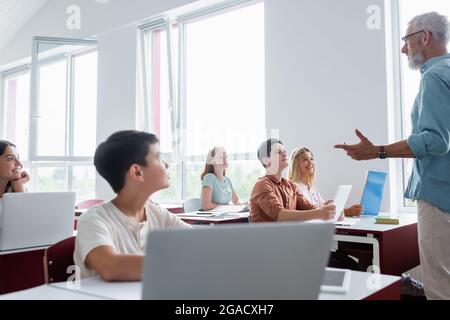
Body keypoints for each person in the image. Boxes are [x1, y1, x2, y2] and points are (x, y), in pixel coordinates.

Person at [335, 12, 450, 299]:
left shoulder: (434, 77)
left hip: (439, 199)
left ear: (424, 37)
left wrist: (378, 151)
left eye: (406, 40)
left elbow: (436, 141)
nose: (403, 49)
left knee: (439, 288)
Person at [74, 131, 192, 281]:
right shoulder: (93, 219)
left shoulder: (157, 212)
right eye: (159, 157)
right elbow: (110, 267)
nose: (167, 164)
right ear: (137, 172)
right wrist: (183, 263)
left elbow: (196, 244)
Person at [250, 139, 336, 222]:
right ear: (266, 160)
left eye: (284, 151)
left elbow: (310, 208)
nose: (284, 154)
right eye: (278, 152)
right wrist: (320, 213)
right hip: (270, 236)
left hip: (288, 235)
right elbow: (280, 215)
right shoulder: (261, 185)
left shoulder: (291, 186)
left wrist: (330, 211)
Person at [288, 147, 363, 217]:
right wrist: (348, 211)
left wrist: (329, 205)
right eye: (305, 160)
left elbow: (322, 208)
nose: (310, 162)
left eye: (311, 159)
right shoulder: (294, 187)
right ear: (295, 164)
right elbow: (315, 211)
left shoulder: (312, 187)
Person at [200, 146, 246, 210]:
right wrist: (227, 207)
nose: (225, 160)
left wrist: (247, 204)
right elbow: (206, 206)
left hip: (225, 216)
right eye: (221, 157)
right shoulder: (209, 178)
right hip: (212, 218)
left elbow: (236, 201)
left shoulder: (227, 180)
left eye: (226, 157)